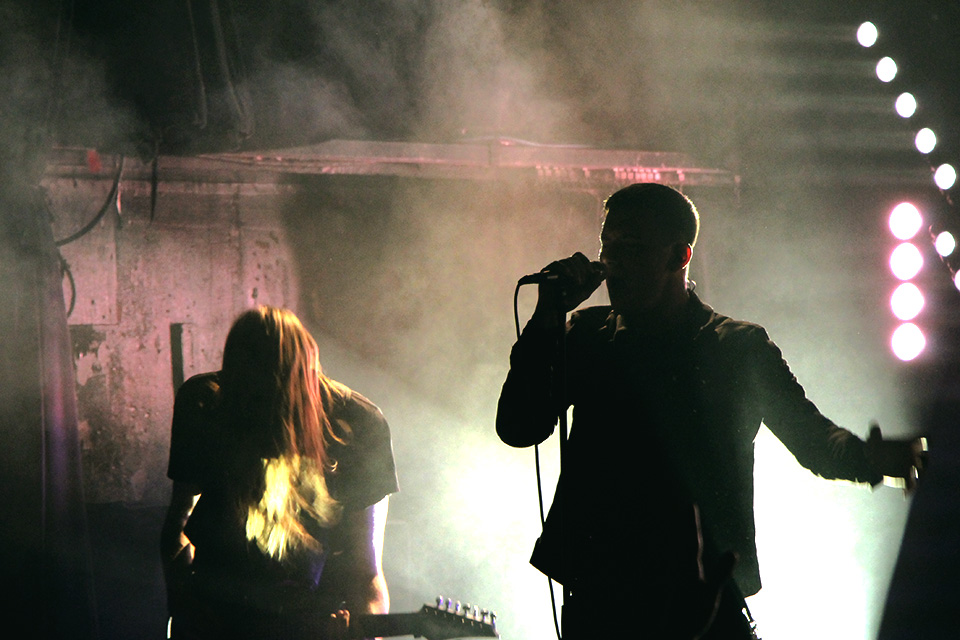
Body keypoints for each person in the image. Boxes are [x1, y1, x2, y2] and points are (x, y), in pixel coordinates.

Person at [495, 183, 926, 639]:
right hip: (601, 598)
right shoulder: (585, 336)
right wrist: (547, 319)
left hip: (701, 596)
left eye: (633, 247)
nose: (613, 261)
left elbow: (812, 439)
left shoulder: (735, 348)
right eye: (608, 245)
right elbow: (518, 426)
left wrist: (870, 458)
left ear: (679, 257)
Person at [161, 306, 399, 640]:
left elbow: (366, 571)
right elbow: (179, 525)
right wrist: (185, 607)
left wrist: (365, 629)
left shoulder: (358, 424)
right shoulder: (206, 403)